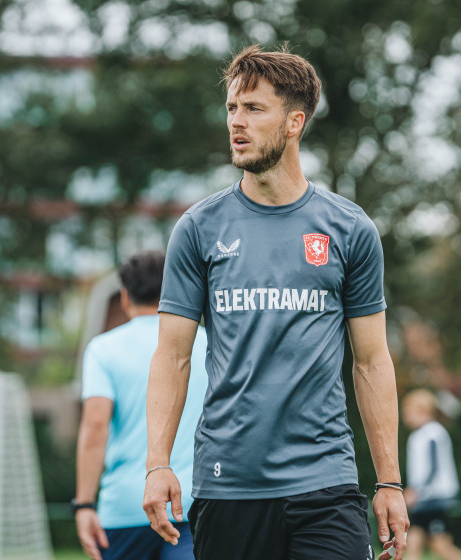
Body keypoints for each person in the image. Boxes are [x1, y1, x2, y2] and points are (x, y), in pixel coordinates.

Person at [142, 44, 409, 560]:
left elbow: (372, 362)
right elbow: (172, 356)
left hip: (325, 484)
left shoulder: (350, 229)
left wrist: (390, 482)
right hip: (227, 483)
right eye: (231, 108)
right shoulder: (198, 229)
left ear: (294, 122)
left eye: (253, 108)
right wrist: (158, 463)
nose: (236, 122)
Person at [74, 250, 208, 560]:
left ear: (124, 297)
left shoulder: (103, 349)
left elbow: (95, 426)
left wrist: (84, 504)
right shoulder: (206, 342)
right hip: (191, 503)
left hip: (125, 506)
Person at [401, 389, 461, 560]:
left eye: (407, 411)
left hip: (435, 497)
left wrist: (415, 490)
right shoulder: (420, 434)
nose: (404, 416)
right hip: (425, 497)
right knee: (413, 542)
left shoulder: (432, 433)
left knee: (439, 545)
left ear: (422, 410)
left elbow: (432, 467)